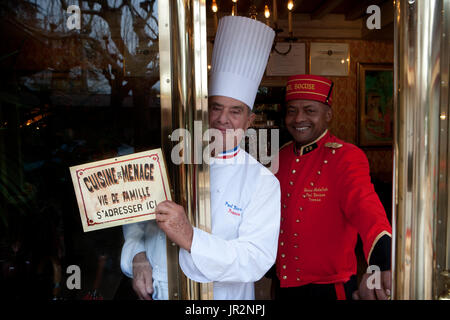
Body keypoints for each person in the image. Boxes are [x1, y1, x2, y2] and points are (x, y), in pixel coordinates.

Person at [122, 16, 281, 300]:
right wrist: (137, 255)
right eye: (216, 107)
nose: (223, 119)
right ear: (203, 111)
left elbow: (255, 259)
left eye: (235, 111)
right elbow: (135, 218)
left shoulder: (262, 181)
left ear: (249, 121)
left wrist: (190, 237)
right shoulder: (169, 161)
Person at [272, 74, 392, 300]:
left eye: (309, 110)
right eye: (292, 110)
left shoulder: (345, 156)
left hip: (327, 288)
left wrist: (382, 259)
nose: (299, 118)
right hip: (283, 283)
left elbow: (365, 206)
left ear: (328, 115)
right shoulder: (280, 156)